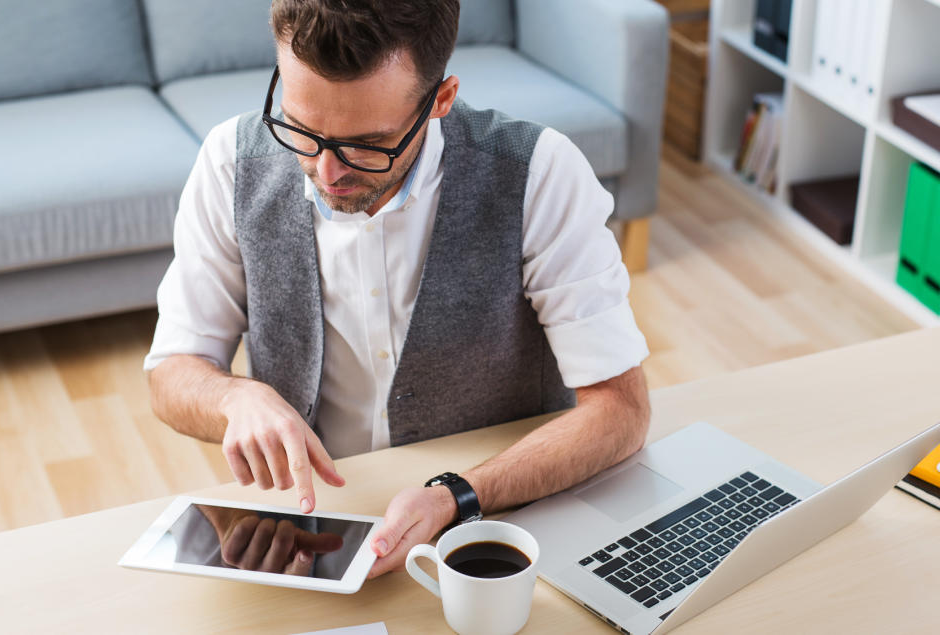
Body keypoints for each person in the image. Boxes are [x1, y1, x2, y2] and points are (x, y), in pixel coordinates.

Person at [144, 0, 650, 578]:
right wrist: (234, 398)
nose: (327, 172)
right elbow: (171, 373)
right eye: (301, 128)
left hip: (503, 525)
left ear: (441, 100)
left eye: (366, 143)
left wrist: (455, 496)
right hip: (319, 527)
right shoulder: (230, 162)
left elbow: (621, 410)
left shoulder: (540, 171)